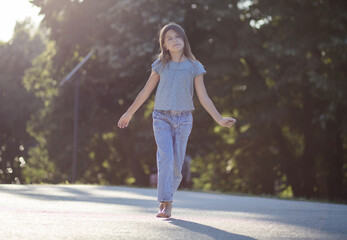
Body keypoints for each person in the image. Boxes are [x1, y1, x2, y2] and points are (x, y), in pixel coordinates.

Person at [117, 23, 236, 218]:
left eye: (177, 36)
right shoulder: (160, 65)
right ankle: (166, 203)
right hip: (161, 117)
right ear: (164, 44)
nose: (175, 40)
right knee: (165, 158)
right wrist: (130, 112)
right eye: (170, 38)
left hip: (184, 119)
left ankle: (168, 197)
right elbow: (146, 91)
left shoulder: (195, 66)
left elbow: (204, 97)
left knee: (176, 164)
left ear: (184, 39)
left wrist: (219, 119)